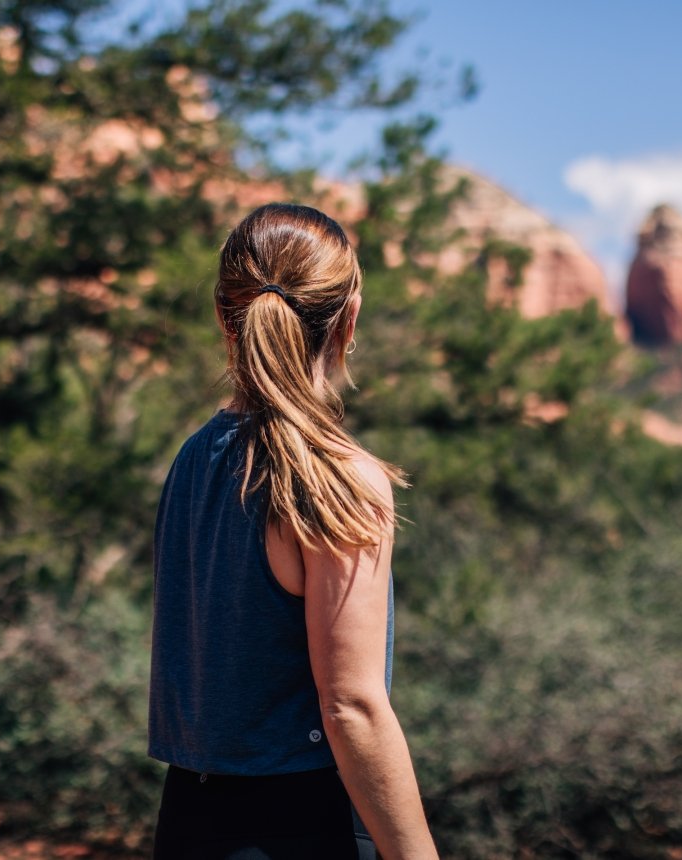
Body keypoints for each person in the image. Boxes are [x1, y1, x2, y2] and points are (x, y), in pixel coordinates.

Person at [148, 202, 439, 859]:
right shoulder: (335, 479)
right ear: (349, 318)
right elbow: (351, 709)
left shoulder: (193, 458)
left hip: (187, 822)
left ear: (226, 316)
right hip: (305, 826)